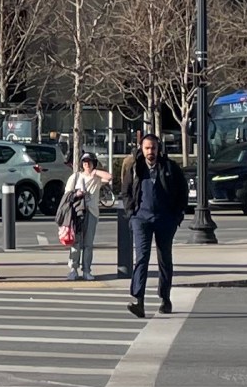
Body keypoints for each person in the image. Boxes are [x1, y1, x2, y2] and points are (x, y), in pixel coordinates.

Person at [114, 132, 186, 317]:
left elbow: (182, 192)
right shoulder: (135, 167)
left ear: (158, 148)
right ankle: (139, 300)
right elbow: (126, 191)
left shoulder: (170, 167)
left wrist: (176, 216)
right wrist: (132, 213)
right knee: (142, 258)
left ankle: (165, 298)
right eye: (147, 148)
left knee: (164, 259)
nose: (150, 152)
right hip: (141, 219)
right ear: (141, 149)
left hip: (165, 219)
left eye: (153, 148)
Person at [56, 153, 109, 281]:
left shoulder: (96, 179)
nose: (87, 164)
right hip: (76, 213)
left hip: (91, 212)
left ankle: (86, 270)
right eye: (84, 161)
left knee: (88, 243)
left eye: (89, 162)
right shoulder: (75, 177)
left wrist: (94, 172)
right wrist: (77, 193)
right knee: (76, 242)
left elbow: (109, 177)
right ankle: (73, 269)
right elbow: (67, 195)